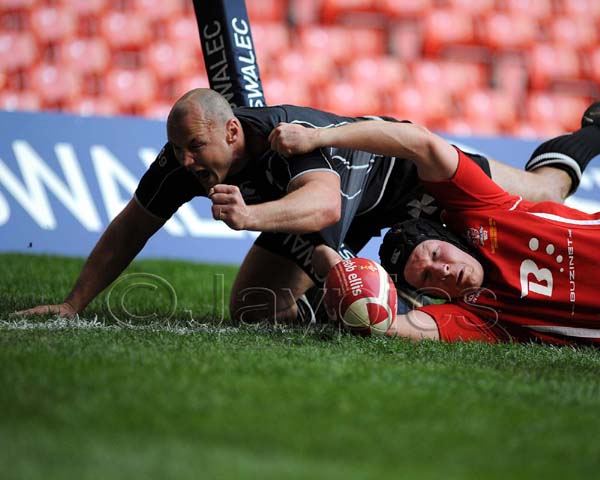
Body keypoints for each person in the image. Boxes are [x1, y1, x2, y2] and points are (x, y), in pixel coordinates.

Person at [12, 89, 587, 324]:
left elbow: (319, 206)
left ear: (233, 131)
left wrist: (250, 216)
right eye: (179, 150)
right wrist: (73, 303)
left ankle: (590, 133)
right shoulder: (181, 165)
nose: (185, 161)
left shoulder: (285, 135)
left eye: (195, 148)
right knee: (254, 310)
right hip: (343, 213)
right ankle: (352, 306)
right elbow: (130, 228)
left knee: (546, 192)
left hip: (410, 180)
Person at [269, 102, 600, 346]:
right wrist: (339, 273)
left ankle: (594, 131)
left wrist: (317, 137)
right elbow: (384, 326)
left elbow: (421, 142)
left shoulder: (482, 213)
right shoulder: (477, 317)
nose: (442, 270)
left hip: (398, 171)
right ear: (430, 296)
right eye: (427, 277)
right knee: (250, 302)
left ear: (452, 240)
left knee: (547, 189)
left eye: (437, 256)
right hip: (357, 205)